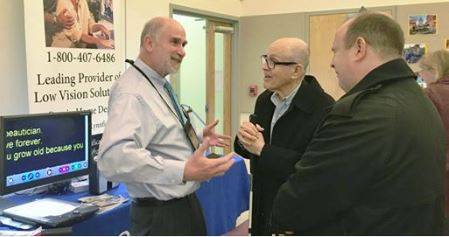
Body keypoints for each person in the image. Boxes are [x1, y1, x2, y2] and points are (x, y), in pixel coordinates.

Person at [271, 12, 446, 235]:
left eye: (335, 51)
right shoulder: (419, 99)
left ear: (359, 48)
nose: (332, 62)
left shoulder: (361, 113)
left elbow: (295, 205)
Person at [96, 17, 235, 236]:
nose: (182, 51)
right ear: (149, 43)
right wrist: (183, 170)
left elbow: (160, 136)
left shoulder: (159, 83)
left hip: (184, 206)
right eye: (175, 42)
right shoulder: (131, 91)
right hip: (161, 217)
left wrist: (197, 137)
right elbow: (113, 158)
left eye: (184, 44)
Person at [234, 38, 334, 235]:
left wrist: (263, 149)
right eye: (265, 59)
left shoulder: (324, 108)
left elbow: (313, 170)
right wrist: (243, 139)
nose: (265, 68)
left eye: (273, 62)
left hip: (298, 216)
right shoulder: (264, 100)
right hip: (263, 206)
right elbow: (250, 150)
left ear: (296, 71)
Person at [418, 49, 449, 218]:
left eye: (423, 70)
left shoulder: (430, 94)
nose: (421, 75)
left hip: (440, 173)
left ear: (434, 70)